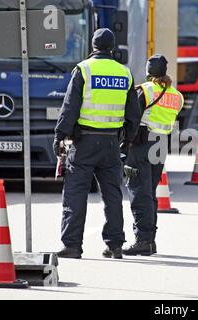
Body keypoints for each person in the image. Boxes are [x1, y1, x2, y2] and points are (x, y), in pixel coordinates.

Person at [53, 28, 142, 259]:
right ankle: (115, 245)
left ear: (92, 46)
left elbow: (70, 107)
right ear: (113, 48)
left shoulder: (84, 69)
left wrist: (59, 136)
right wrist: (127, 140)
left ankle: (72, 246)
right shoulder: (125, 73)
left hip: (84, 143)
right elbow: (134, 113)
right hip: (111, 143)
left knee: (75, 193)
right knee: (112, 194)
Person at [122, 54, 184, 256]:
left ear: (148, 71)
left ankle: (143, 241)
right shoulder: (177, 95)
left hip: (141, 144)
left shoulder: (145, 91)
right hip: (161, 144)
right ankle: (151, 240)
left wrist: (124, 144)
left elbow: (132, 119)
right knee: (150, 192)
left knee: (139, 192)